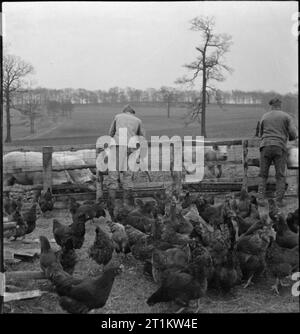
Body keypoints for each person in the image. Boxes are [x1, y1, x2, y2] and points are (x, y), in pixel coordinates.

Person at [256, 97, 298, 207]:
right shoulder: (286, 116)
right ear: (280, 105)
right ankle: (278, 200)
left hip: (265, 146)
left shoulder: (264, 116)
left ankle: (260, 199)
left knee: (263, 175)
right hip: (279, 147)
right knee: (280, 175)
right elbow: (293, 133)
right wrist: (291, 138)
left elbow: (260, 134)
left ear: (271, 106)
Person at [107, 104, 146, 218]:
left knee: (113, 178)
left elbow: (110, 133)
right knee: (128, 178)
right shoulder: (138, 120)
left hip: (117, 147)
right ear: (133, 112)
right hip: (131, 149)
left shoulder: (117, 117)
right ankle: (127, 207)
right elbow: (142, 137)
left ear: (124, 111)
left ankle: (111, 209)